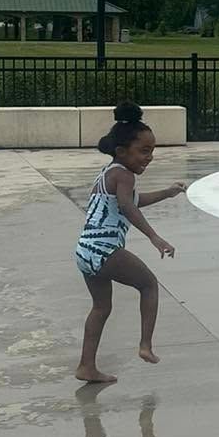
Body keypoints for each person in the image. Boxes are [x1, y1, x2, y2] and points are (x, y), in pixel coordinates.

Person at [74, 104, 187, 382]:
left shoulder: (111, 172)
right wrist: (154, 237)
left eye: (152, 151)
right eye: (144, 151)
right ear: (122, 151)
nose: (149, 157)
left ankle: (86, 366)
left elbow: (134, 200)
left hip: (84, 250)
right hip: (105, 250)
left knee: (101, 307)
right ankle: (145, 345)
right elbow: (127, 206)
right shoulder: (124, 175)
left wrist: (168, 192)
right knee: (149, 285)